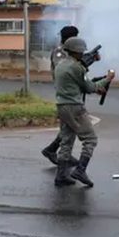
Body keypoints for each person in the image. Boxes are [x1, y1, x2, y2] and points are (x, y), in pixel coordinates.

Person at [53, 37, 114, 188]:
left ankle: (61, 176)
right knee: (90, 139)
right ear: (78, 52)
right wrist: (107, 79)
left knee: (66, 140)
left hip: (61, 106)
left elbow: (75, 81)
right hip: (75, 107)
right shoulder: (77, 67)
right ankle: (80, 170)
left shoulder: (60, 65)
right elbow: (89, 87)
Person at [41, 25, 81, 166]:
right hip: (65, 93)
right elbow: (64, 69)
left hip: (72, 91)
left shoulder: (71, 53)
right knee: (71, 125)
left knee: (69, 126)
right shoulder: (60, 52)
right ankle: (61, 154)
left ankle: (55, 150)